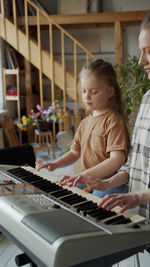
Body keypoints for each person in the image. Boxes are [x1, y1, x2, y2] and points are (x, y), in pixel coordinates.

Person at [65, 13, 150, 221]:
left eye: (149, 51)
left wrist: (137, 196)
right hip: (142, 218)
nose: (140, 61)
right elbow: (133, 167)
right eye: (141, 51)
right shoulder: (147, 99)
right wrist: (106, 183)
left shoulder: (113, 120)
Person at [36, 59, 130, 197]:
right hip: (88, 178)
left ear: (110, 92)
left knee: (96, 207)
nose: (87, 96)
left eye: (94, 91)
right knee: (63, 195)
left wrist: (84, 174)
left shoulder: (114, 121)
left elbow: (117, 160)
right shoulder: (85, 123)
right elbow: (74, 153)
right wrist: (54, 164)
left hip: (110, 182)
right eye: (84, 91)